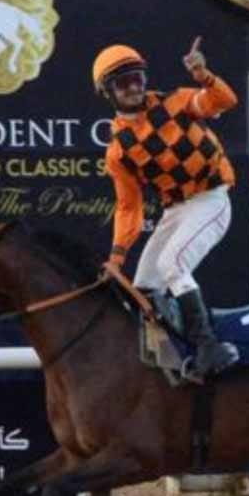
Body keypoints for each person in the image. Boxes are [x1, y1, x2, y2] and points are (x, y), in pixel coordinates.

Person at [93, 39, 239, 383]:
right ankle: (175, 361)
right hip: (176, 210)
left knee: (173, 264)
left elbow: (225, 101)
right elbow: (129, 206)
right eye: (122, 82)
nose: (133, 87)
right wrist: (117, 257)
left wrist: (203, 74)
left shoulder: (178, 101)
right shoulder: (117, 152)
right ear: (107, 92)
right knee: (144, 286)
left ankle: (209, 348)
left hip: (211, 200)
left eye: (137, 78)